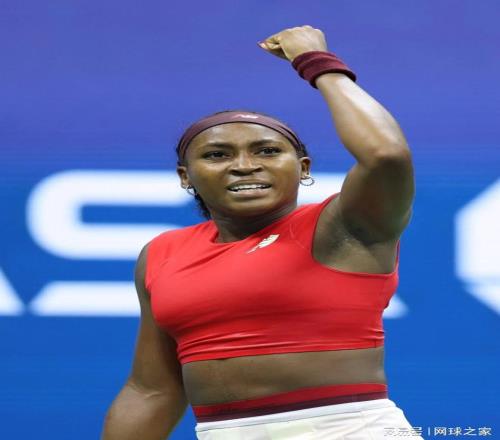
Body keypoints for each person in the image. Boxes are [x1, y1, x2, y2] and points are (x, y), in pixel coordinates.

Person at [102, 25, 420, 440]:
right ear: (185, 176)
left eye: (268, 151)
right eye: (217, 154)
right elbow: (152, 390)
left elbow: (386, 155)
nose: (244, 166)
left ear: (303, 168)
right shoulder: (163, 252)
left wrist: (317, 63)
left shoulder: (344, 226)